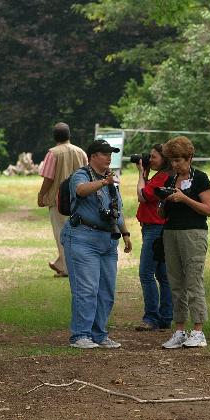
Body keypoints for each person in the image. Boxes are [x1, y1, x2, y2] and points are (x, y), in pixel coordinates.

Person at [61, 139, 133, 348]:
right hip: (82, 238)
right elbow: (81, 190)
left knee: (106, 291)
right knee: (86, 289)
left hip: (108, 240)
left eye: (111, 154)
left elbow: (116, 209)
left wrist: (125, 233)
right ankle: (80, 335)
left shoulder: (110, 179)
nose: (109, 157)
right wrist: (104, 183)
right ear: (93, 156)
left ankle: (99, 335)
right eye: (105, 153)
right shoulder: (81, 175)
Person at [159, 136, 210, 349]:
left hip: (193, 233)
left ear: (189, 158)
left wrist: (184, 199)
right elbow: (162, 213)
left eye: (178, 160)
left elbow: (208, 209)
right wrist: (163, 200)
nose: (174, 165)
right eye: (172, 160)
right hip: (171, 232)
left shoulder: (200, 178)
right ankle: (180, 330)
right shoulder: (170, 180)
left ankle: (198, 331)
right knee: (175, 283)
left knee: (193, 281)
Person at [37, 122, 87, 277]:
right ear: (69, 135)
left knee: (62, 234)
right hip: (79, 200)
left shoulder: (53, 153)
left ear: (54, 137)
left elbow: (48, 178)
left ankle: (66, 268)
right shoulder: (81, 152)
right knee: (76, 234)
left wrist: (41, 195)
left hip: (59, 201)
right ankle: (62, 263)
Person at [134, 144, 173, 332]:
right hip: (159, 228)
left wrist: (141, 175)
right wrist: (146, 174)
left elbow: (143, 195)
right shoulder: (163, 175)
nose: (150, 160)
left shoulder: (163, 176)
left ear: (164, 158)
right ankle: (166, 317)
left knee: (146, 273)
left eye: (153, 157)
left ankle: (151, 318)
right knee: (163, 275)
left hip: (155, 229)